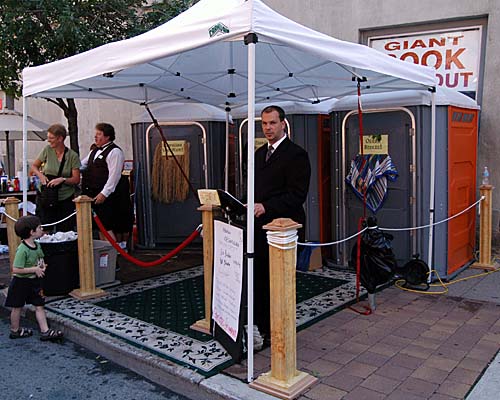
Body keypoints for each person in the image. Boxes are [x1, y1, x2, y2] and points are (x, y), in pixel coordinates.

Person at [253, 105, 311, 345]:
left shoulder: (296, 154)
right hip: (260, 228)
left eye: (272, 123)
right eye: (264, 123)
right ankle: (263, 326)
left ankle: (279, 330)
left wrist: (266, 206)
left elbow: (297, 195)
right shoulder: (258, 153)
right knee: (259, 278)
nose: (268, 128)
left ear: (283, 124)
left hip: (284, 229)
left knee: (279, 283)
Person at [4, 215, 64, 341]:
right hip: (21, 281)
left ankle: (45, 331)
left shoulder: (37, 245)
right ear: (32, 232)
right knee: (17, 306)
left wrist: (42, 266)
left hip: (34, 281)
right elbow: (16, 269)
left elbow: (40, 258)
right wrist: (35, 269)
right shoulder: (22, 249)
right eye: (39, 227)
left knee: (39, 305)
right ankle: (15, 330)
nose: (42, 229)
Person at [81, 123, 133, 244]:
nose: (95, 137)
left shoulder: (115, 152)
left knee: (106, 227)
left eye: (99, 134)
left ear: (107, 136)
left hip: (106, 197)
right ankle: (104, 257)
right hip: (93, 194)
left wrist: (104, 193)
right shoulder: (94, 151)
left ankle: (112, 255)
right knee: (100, 228)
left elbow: (114, 176)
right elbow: (82, 165)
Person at [31, 123, 81, 232]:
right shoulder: (47, 150)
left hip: (64, 198)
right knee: (44, 228)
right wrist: (41, 176)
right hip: (46, 196)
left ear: (60, 138)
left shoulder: (72, 156)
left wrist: (63, 180)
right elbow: (34, 166)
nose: (48, 140)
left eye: (51, 138)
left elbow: (76, 179)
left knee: (65, 230)